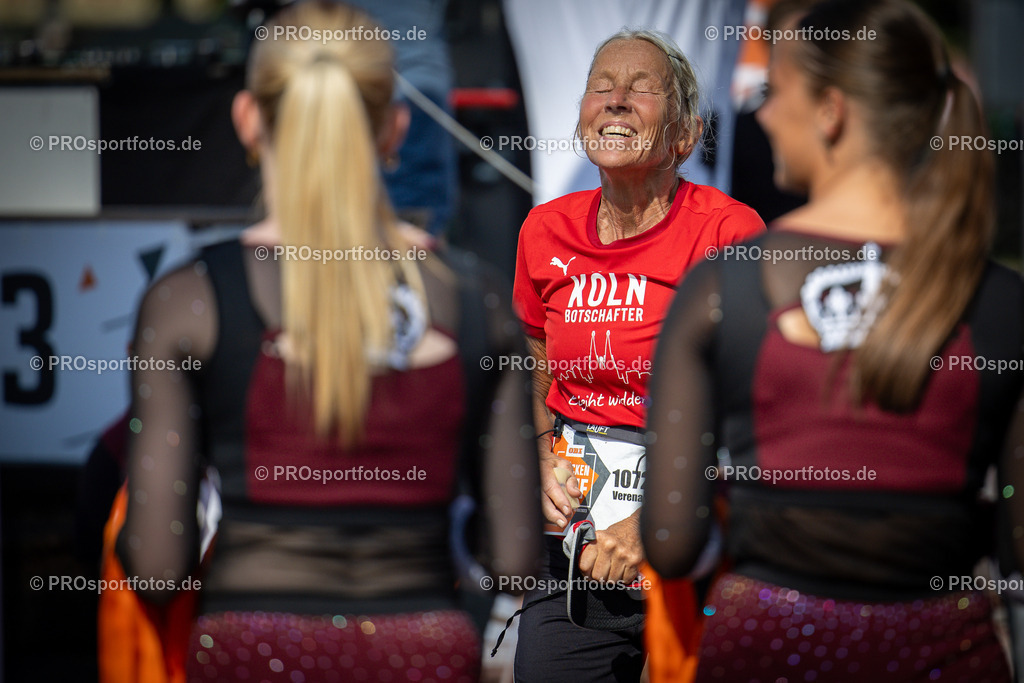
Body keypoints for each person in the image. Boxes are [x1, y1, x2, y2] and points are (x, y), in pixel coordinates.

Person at [115, 2, 541, 681]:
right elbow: (518, 558)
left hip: (248, 652)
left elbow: (158, 565)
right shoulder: (477, 301)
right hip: (423, 652)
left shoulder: (188, 302)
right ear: (396, 127)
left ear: (249, 120)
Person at [642, 1, 1024, 681]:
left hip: (765, 652)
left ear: (832, 111)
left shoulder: (721, 288)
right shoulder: (1000, 300)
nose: (760, 114)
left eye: (774, 91)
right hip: (948, 651)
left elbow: (670, 542)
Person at [511, 29, 764, 682]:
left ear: (685, 135)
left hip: (697, 529)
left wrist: (652, 518)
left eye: (642, 88)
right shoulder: (545, 229)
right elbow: (535, 352)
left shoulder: (728, 231)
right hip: (577, 545)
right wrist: (542, 451)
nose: (616, 100)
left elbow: (748, 398)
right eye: (601, 86)